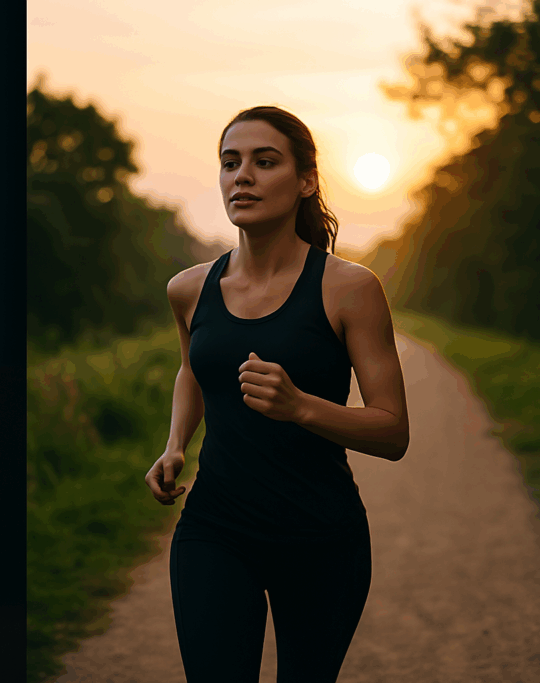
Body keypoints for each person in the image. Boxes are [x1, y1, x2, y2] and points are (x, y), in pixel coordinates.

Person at [144, 105, 410, 682]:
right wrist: (174, 444)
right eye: (230, 163)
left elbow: (393, 432)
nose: (242, 177)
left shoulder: (351, 289)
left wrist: (301, 407)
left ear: (306, 180)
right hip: (214, 528)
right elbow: (192, 369)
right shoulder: (189, 289)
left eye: (265, 162)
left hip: (320, 535)